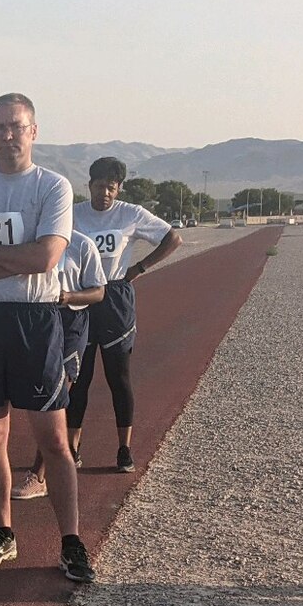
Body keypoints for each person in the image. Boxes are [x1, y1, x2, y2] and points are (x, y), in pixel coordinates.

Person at [0, 92, 93, 582]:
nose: (7, 135)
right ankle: (2, 533)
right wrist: (8, 258)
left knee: (52, 438)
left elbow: (45, 258)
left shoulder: (53, 188)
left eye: (16, 126)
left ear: (33, 130)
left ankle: (70, 541)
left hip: (36, 321)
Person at [68, 158, 184, 471]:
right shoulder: (73, 213)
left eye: (111, 187)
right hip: (82, 299)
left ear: (118, 189)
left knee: (118, 377)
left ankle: (124, 450)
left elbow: (173, 237)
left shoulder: (130, 214)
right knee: (78, 378)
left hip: (115, 299)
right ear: (89, 185)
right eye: (99, 185)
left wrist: (139, 268)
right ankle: (71, 449)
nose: (104, 192)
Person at [12, 227, 105, 500]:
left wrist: (68, 297)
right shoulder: (30, 239)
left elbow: (98, 291)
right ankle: (56, 459)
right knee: (35, 395)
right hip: (38, 319)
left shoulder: (82, 244)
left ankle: (39, 475)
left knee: (58, 393)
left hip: (71, 322)